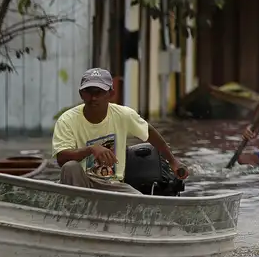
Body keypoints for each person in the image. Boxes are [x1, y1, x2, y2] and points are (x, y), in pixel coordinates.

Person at [53, 68, 188, 192]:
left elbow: (151, 134)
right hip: (81, 184)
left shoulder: (124, 115)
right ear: (81, 94)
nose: (93, 98)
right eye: (88, 92)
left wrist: (173, 161)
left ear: (110, 94)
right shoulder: (67, 120)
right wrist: (91, 149)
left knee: (142, 204)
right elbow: (61, 159)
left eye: (99, 92)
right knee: (70, 167)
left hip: (113, 185)